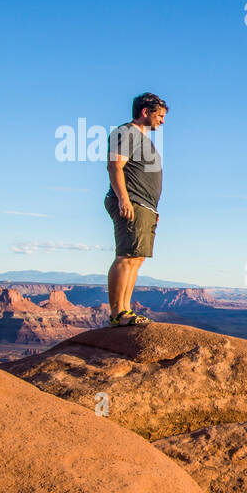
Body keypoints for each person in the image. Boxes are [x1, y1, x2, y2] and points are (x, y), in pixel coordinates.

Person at [104, 93, 167, 326]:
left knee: (136, 257)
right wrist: (123, 199)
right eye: (159, 115)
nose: (162, 121)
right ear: (145, 112)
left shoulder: (141, 138)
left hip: (145, 206)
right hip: (132, 201)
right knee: (126, 256)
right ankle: (118, 313)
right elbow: (114, 166)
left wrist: (152, 210)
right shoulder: (126, 132)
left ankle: (125, 310)